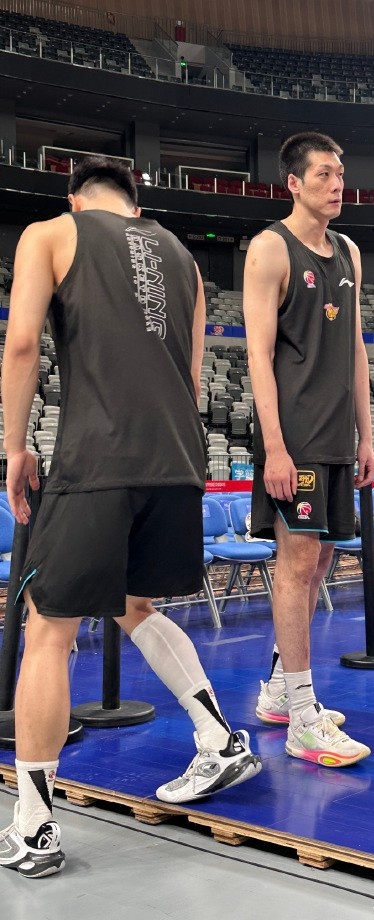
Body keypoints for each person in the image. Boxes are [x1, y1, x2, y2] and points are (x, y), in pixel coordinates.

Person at [0, 156, 261, 879]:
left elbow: (21, 343)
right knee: (133, 604)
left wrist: (15, 446)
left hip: (98, 458)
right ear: (136, 206)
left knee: (47, 629)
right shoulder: (184, 259)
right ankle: (218, 737)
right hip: (178, 460)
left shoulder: (52, 232)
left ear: (75, 199)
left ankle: (33, 827)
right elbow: (190, 373)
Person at [243, 132, 374, 768]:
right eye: (323, 173)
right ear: (294, 183)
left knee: (319, 563)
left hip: (336, 438)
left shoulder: (349, 251)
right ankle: (301, 717)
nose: (336, 183)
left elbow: (356, 348)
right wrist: (274, 447)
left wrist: (366, 433)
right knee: (295, 567)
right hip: (293, 439)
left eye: (340, 172)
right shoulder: (270, 248)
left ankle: (278, 689)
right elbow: (258, 354)